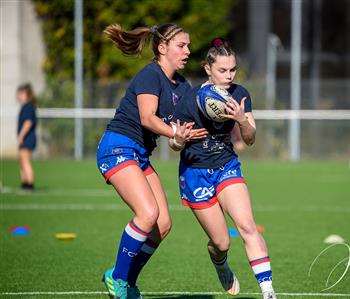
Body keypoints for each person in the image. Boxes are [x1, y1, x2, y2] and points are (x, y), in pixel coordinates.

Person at [97, 23, 207, 299]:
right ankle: (117, 278)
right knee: (147, 214)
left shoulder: (183, 87)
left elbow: (173, 140)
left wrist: (181, 138)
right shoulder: (150, 75)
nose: (188, 51)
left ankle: (128, 283)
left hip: (140, 154)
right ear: (162, 48)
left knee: (162, 225)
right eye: (181, 46)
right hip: (117, 146)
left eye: (189, 45)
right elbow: (148, 118)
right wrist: (174, 132)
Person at [170, 38, 277, 299]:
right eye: (222, 70)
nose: (229, 76)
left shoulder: (240, 95)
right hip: (195, 174)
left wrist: (242, 121)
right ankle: (220, 264)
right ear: (208, 69)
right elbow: (174, 144)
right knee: (221, 243)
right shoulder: (189, 99)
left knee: (247, 226)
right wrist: (179, 140)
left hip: (226, 166)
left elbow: (250, 139)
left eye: (233, 70)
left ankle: (268, 292)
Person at [17, 83, 38, 191]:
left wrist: (21, 135)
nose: (18, 95)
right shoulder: (26, 106)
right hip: (27, 138)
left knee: (25, 161)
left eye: (21, 93)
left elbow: (28, 122)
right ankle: (25, 183)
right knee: (21, 161)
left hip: (27, 138)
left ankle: (29, 184)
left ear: (27, 94)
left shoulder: (28, 107)